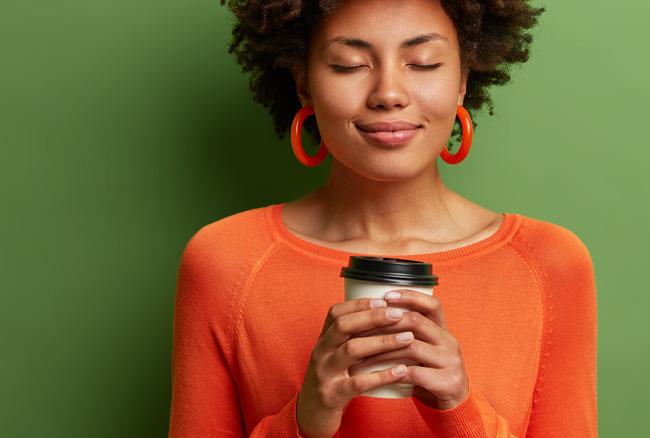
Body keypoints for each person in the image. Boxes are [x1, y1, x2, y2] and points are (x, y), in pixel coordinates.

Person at [168, 0, 597, 437]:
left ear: (463, 79)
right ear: (303, 83)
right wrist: (304, 421)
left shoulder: (551, 264)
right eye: (349, 64)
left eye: (424, 63)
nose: (389, 93)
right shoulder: (223, 260)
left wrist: (459, 409)